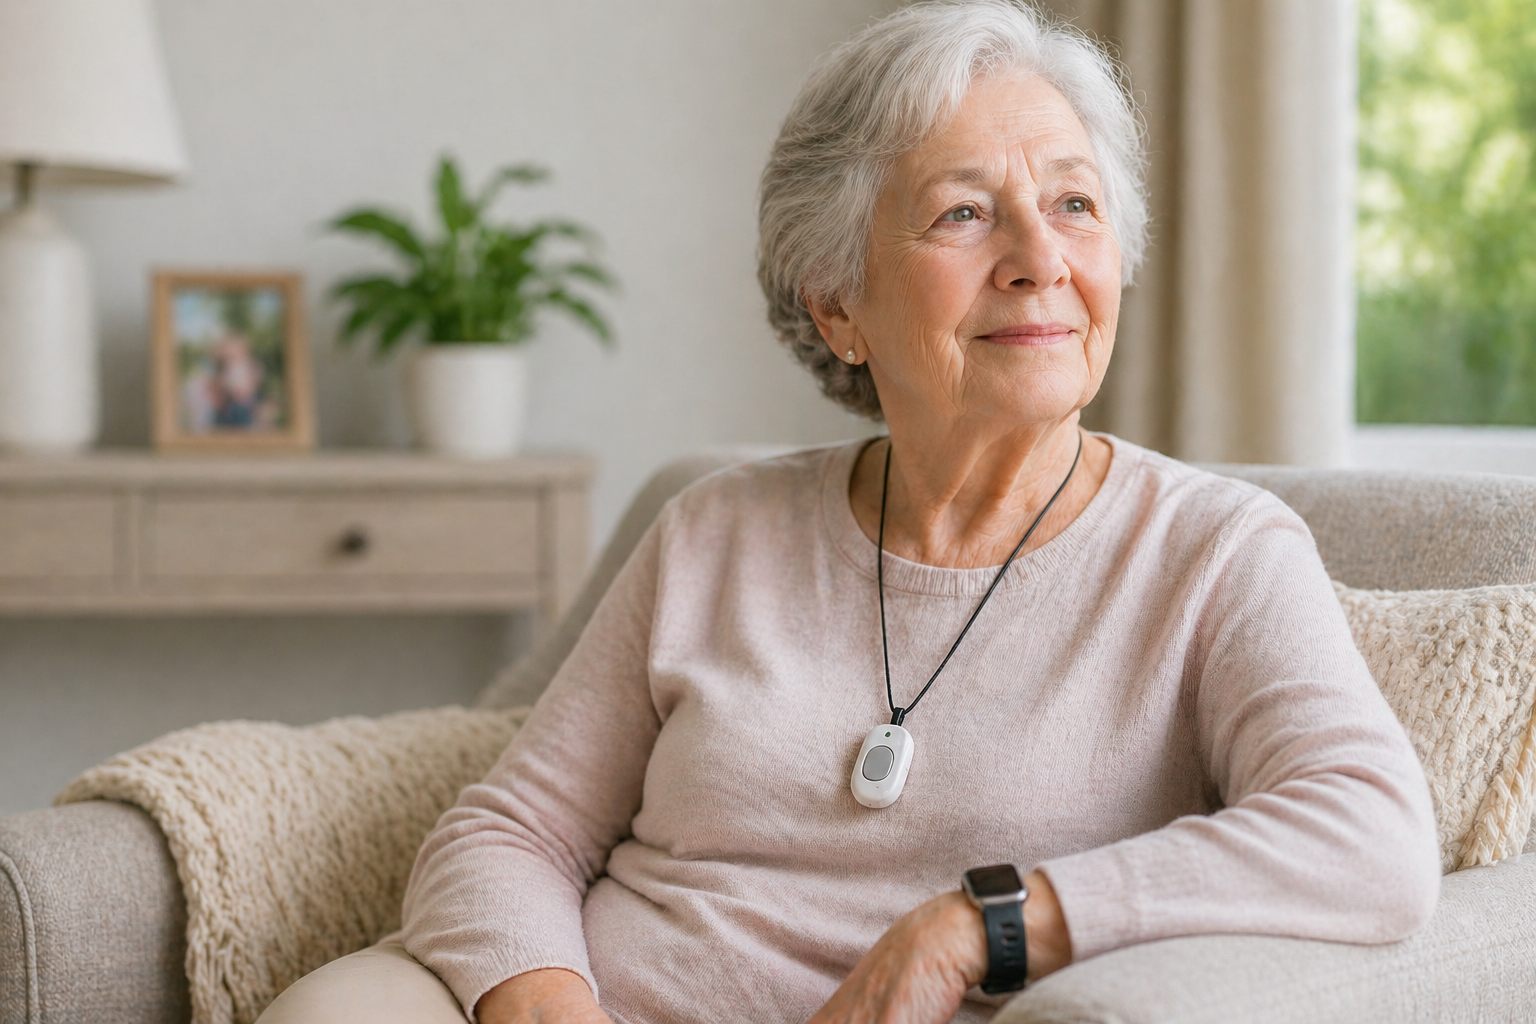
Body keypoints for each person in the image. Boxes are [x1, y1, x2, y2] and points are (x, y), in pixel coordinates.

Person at [258, 2, 1438, 1022]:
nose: (1040, 257)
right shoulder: (715, 531)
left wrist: (980, 926)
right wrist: (554, 1004)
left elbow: (1372, 838)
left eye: (1075, 203)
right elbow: (511, 833)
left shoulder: (1212, 555)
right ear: (838, 306)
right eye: (965, 214)